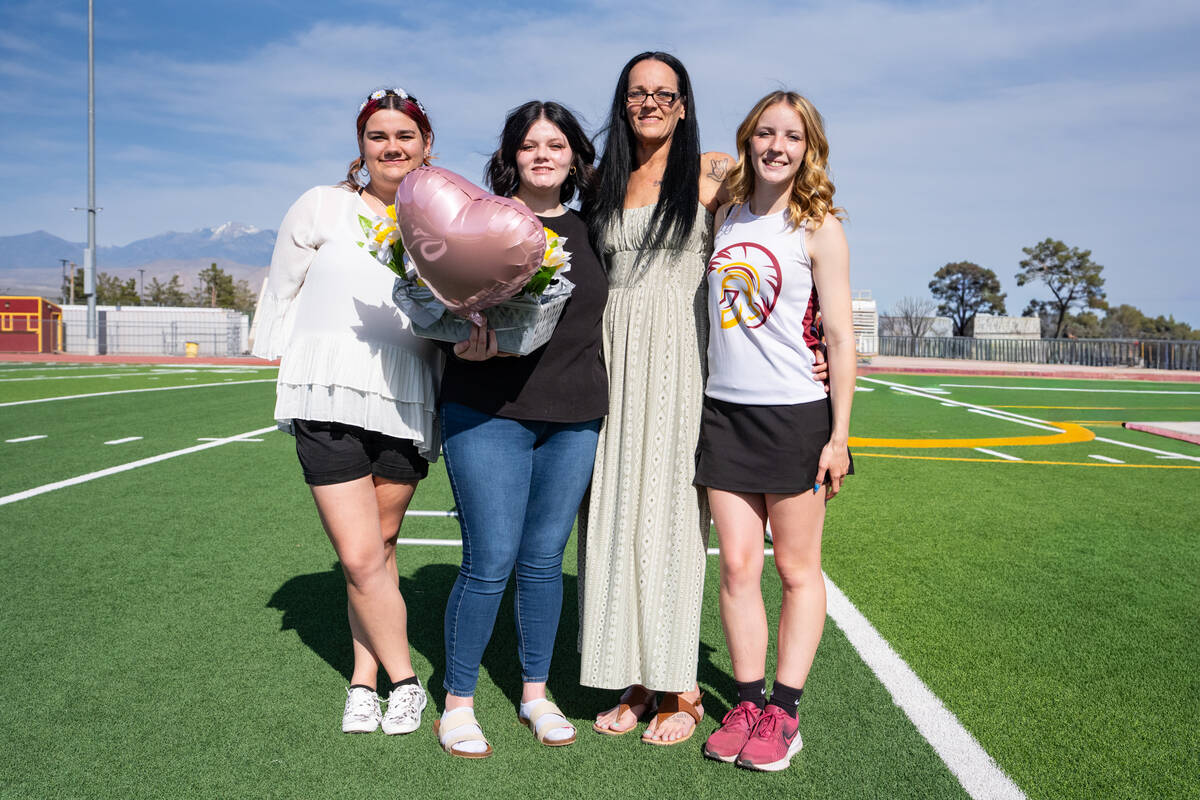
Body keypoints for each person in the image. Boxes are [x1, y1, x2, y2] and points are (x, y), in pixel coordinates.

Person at [252, 87, 443, 736]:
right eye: (377, 136)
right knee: (360, 556)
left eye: (404, 136)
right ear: (361, 147)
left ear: (426, 146)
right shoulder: (321, 205)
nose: (391, 147)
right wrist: (275, 361)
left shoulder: (439, 222)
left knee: (382, 550)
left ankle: (362, 678)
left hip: (407, 396)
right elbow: (282, 286)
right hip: (327, 394)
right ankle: (405, 682)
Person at [433, 101, 607, 759]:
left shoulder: (596, 232)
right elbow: (444, 307)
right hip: (488, 412)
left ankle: (536, 693)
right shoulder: (482, 224)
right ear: (512, 155)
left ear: (573, 157)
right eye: (530, 144)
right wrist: (460, 341)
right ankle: (458, 702)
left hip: (574, 418)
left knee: (542, 560)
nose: (542, 154)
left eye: (555, 144)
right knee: (491, 560)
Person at [578, 51, 733, 745]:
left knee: (671, 518)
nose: (650, 104)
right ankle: (635, 677)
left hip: (678, 359)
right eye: (638, 94)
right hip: (611, 361)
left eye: (664, 94)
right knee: (613, 513)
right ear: (624, 103)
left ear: (683, 105)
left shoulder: (714, 175)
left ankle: (682, 686)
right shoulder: (602, 184)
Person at [696, 91, 854, 772]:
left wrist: (839, 435)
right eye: (765, 133)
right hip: (722, 415)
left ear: (808, 147)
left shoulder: (819, 226)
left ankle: (784, 714)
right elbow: (690, 170)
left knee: (795, 569)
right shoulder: (723, 215)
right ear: (748, 139)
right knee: (736, 567)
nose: (777, 147)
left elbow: (843, 339)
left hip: (795, 417)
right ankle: (747, 701)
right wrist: (711, 174)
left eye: (792, 136)